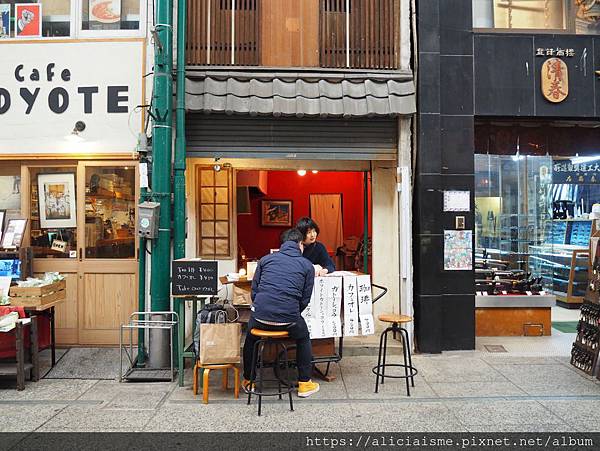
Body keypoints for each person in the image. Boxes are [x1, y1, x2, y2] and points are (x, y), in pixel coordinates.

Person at [242, 228, 320, 398]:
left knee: (250, 338)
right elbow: (305, 299)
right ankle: (305, 384)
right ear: (300, 244)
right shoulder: (307, 266)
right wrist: (289, 312)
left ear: (282, 244)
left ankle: (249, 381)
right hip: (289, 319)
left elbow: (254, 292)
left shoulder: (265, 260)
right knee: (303, 337)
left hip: (260, 317)